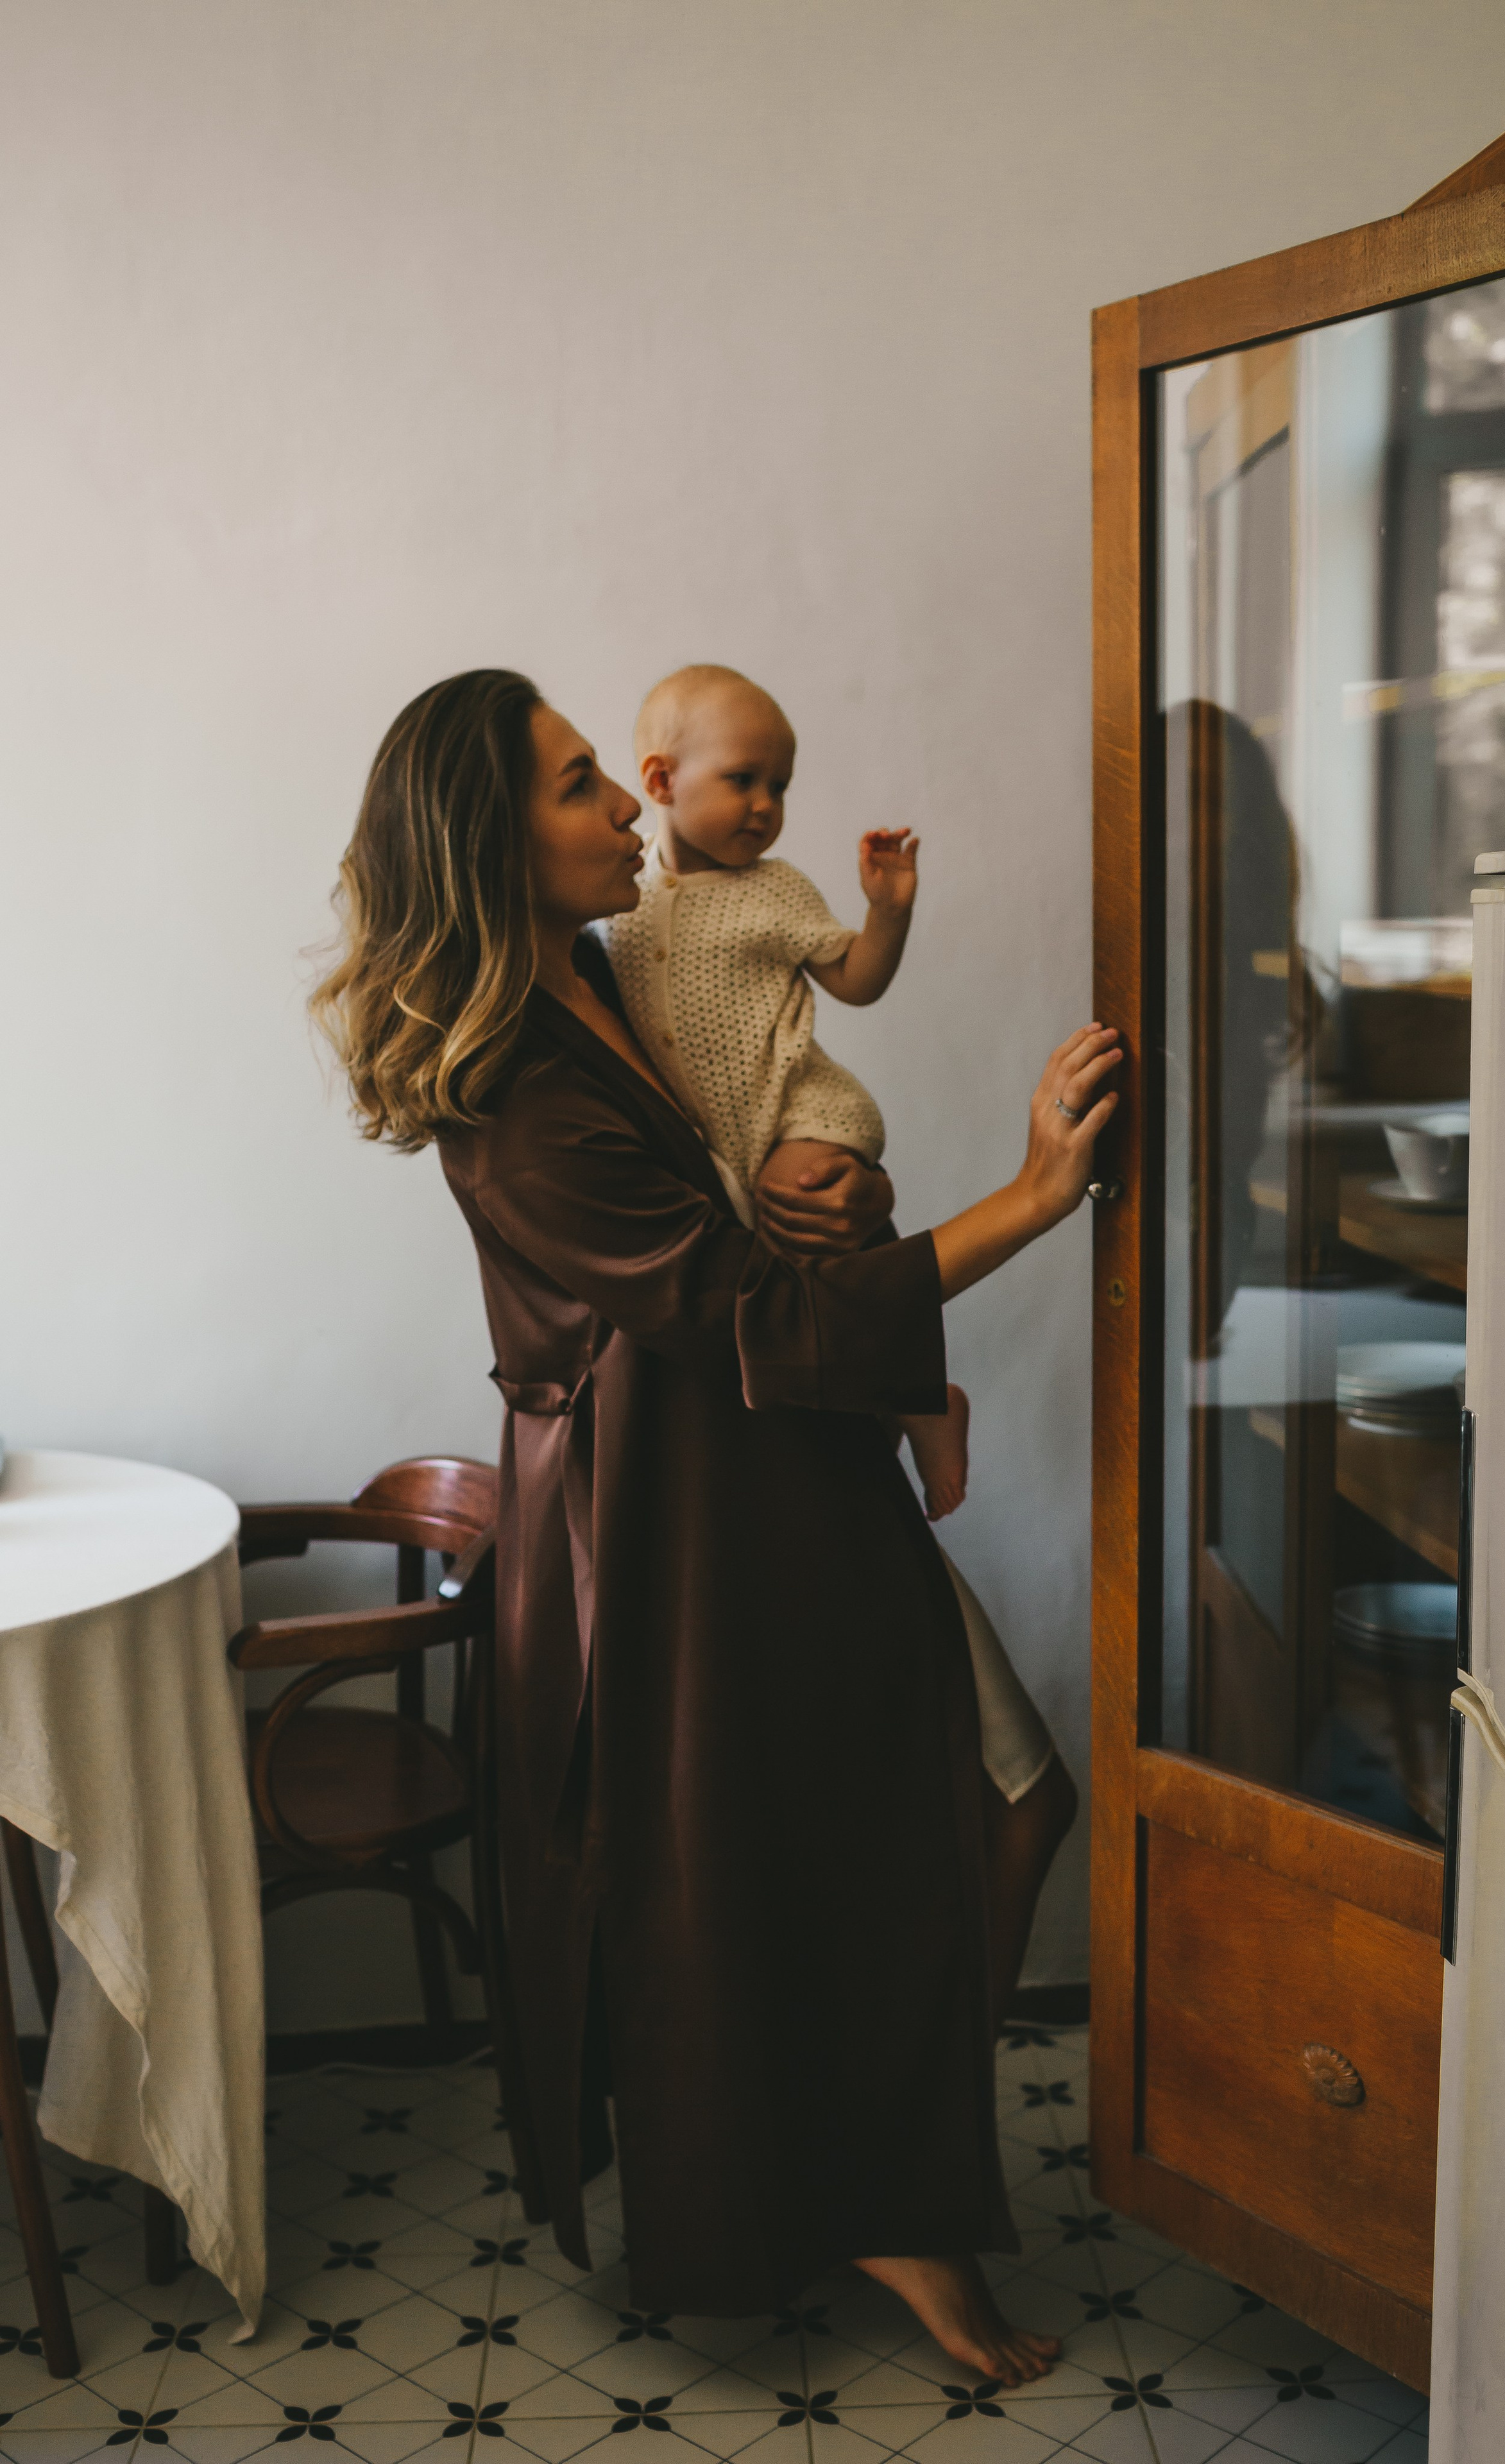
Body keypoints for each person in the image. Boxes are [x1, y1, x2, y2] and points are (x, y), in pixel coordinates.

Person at [311, 669, 1121, 2390]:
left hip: (768, 1481)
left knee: (976, 1810)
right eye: (582, 782)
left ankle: (884, 2168)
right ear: (489, 841)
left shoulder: (604, 979)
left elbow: (767, 1198)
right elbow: (749, 1314)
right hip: (677, 1532)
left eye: (615, 774)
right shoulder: (520, 1089)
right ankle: (879, 2193)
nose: (626, 806)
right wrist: (1035, 1199)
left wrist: (850, 1196)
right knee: (814, 1854)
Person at [608, 662, 968, 1521]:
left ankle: (925, 1400)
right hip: (715, 1146)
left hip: (799, 1110)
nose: (767, 804)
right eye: (744, 780)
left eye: (781, 786)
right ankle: (876, 1412)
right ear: (661, 780)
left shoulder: (774, 888)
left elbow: (853, 979)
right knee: (784, 1303)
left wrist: (887, 915)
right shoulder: (618, 904)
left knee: (813, 1208)